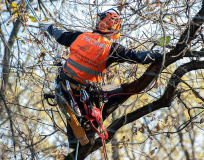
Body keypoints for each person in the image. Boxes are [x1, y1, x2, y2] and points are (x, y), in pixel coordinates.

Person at [40, 9, 163, 149]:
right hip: (83, 95)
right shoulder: (111, 48)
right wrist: (158, 53)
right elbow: (137, 56)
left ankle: (78, 143)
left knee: (77, 138)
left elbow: (61, 35)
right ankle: (84, 139)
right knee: (120, 90)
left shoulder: (81, 36)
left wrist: (50, 27)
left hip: (65, 87)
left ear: (103, 24)